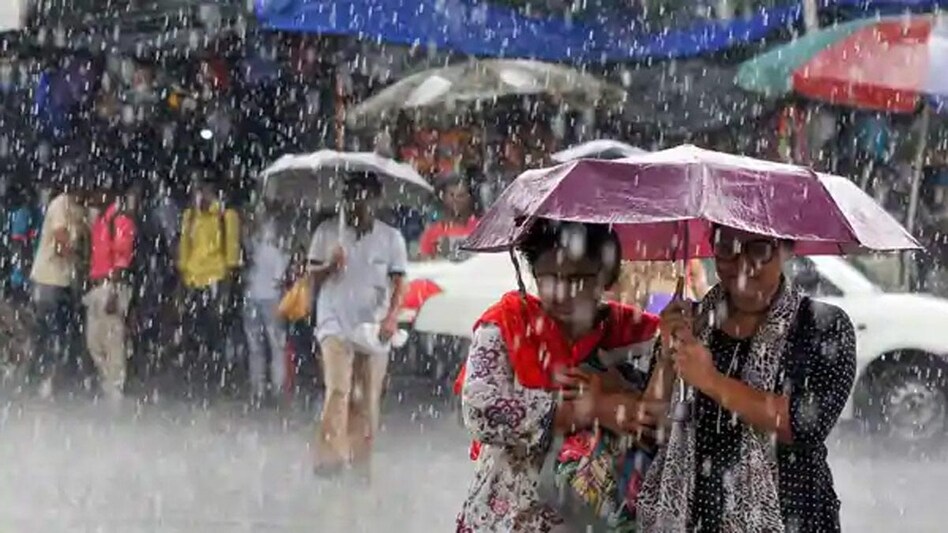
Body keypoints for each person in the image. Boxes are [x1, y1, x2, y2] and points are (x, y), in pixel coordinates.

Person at [636, 225, 857, 533]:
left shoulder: (823, 327)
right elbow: (650, 427)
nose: (741, 265)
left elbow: (805, 425)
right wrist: (666, 359)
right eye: (727, 247)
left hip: (792, 516)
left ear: (786, 249)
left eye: (759, 249)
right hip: (696, 518)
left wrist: (710, 380)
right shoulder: (692, 324)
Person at [454, 219, 661, 533]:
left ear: (606, 277)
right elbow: (482, 411)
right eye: (550, 277)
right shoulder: (506, 325)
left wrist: (623, 394)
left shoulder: (634, 335)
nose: (562, 293)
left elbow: (660, 416)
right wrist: (588, 411)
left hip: (597, 520)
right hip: (511, 516)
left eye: (578, 278)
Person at [308, 172, 408, 475]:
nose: (357, 204)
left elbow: (399, 283)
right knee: (338, 388)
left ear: (375, 200)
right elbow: (311, 276)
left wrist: (392, 318)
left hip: (373, 326)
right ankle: (330, 458)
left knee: (366, 396)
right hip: (333, 321)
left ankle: (360, 456)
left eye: (364, 197)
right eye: (351, 197)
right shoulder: (327, 232)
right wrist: (330, 264)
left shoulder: (391, 238)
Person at [176, 179, 240, 388]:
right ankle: (195, 374)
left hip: (216, 280)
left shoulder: (225, 216)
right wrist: (183, 282)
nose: (199, 197)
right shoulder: (190, 216)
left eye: (203, 191)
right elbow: (184, 249)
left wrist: (226, 290)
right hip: (193, 282)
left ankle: (216, 376)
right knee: (193, 332)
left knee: (216, 333)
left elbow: (231, 255)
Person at [29, 183, 87, 397]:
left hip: (64, 281)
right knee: (51, 334)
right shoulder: (60, 205)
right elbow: (62, 242)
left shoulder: (78, 210)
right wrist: (79, 256)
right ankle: (43, 382)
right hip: (48, 279)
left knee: (59, 334)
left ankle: (49, 381)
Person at [83, 183, 136, 402]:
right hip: (97, 287)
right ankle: (109, 384)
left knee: (113, 342)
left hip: (111, 287)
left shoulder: (120, 220)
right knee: (94, 342)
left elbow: (122, 258)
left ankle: (115, 389)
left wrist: (114, 291)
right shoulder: (102, 220)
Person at [242, 201, 291, 405]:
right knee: (276, 346)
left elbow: (246, 262)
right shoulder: (282, 247)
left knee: (256, 347)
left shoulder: (252, 242)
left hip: (253, 295)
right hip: (271, 297)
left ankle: (258, 389)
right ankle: (276, 388)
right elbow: (281, 276)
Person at [417, 174, 479, 260]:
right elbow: (424, 265)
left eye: (461, 195)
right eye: (452, 195)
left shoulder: (481, 228)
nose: (456, 200)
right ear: (443, 197)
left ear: (469, 198)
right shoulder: (432, 233)